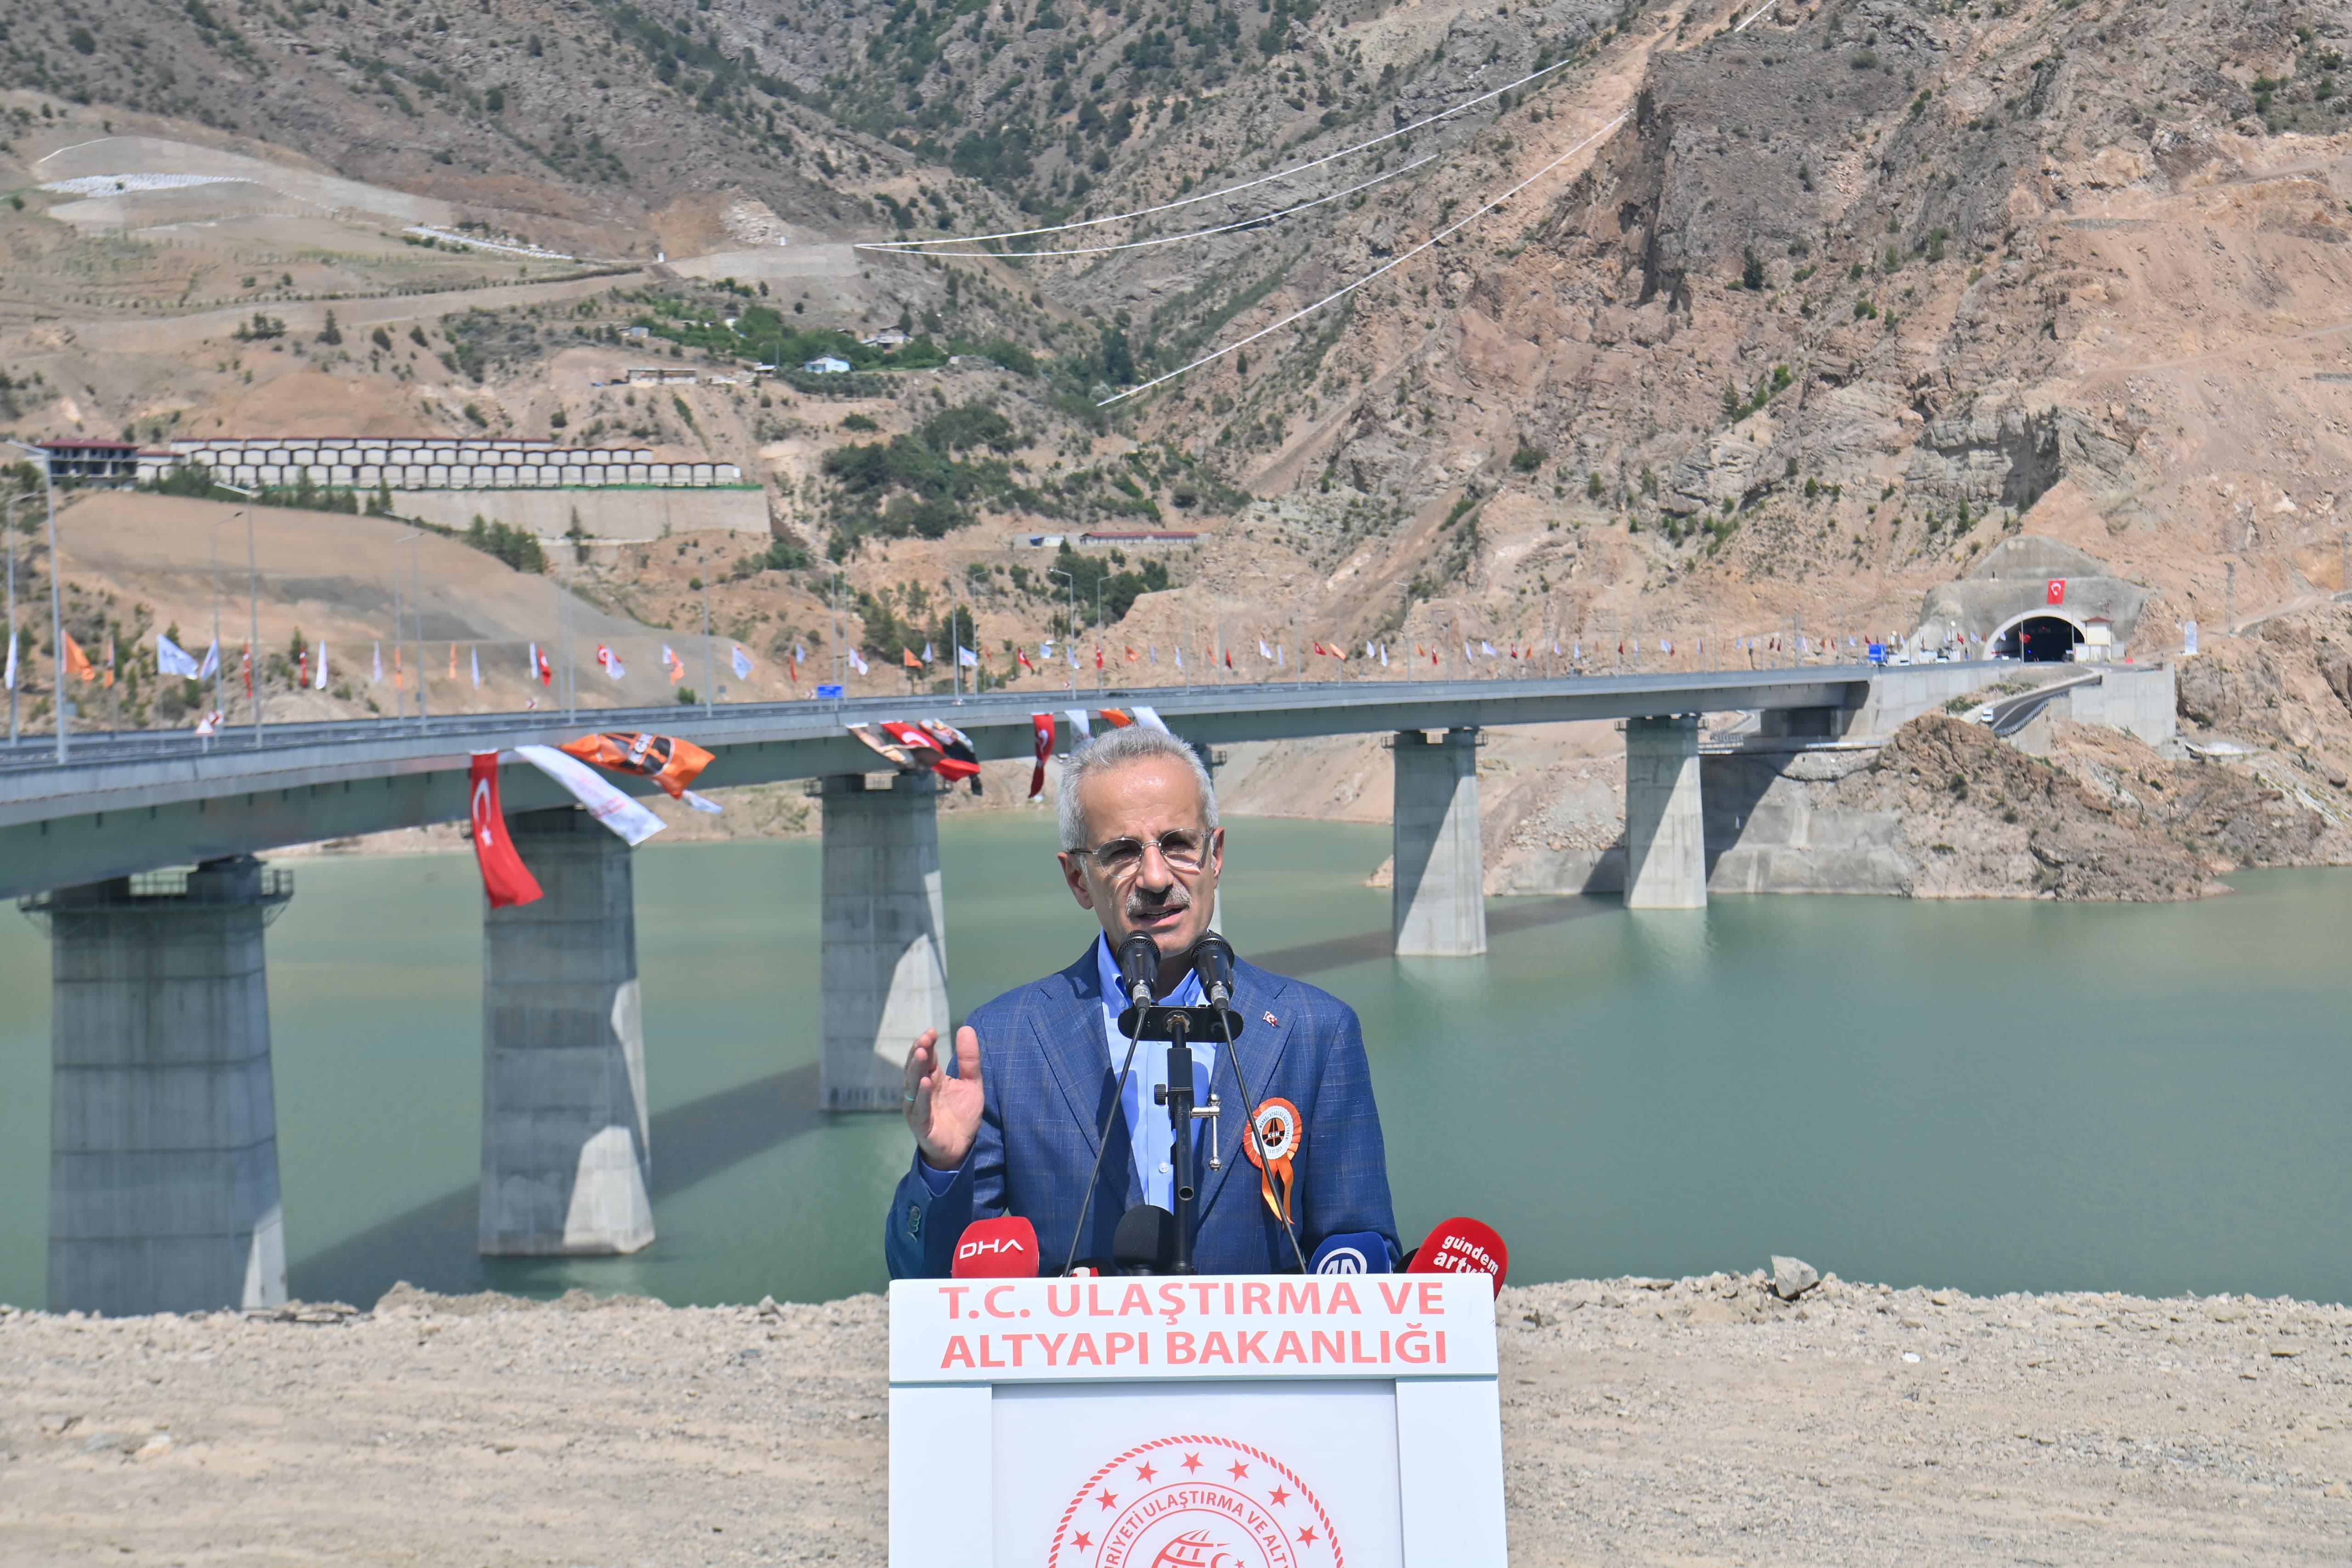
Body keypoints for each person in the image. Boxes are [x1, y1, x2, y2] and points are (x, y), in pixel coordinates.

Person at [884, 725, 1397, 1277]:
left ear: (1216, 853)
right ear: (1078, 878)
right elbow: (929, 1277)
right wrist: (944, 1166)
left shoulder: (1315, 1030)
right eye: (1122, 852)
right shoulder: (1005, 1041)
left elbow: (1359, 1244)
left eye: (1177, 843)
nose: (1155, 877)